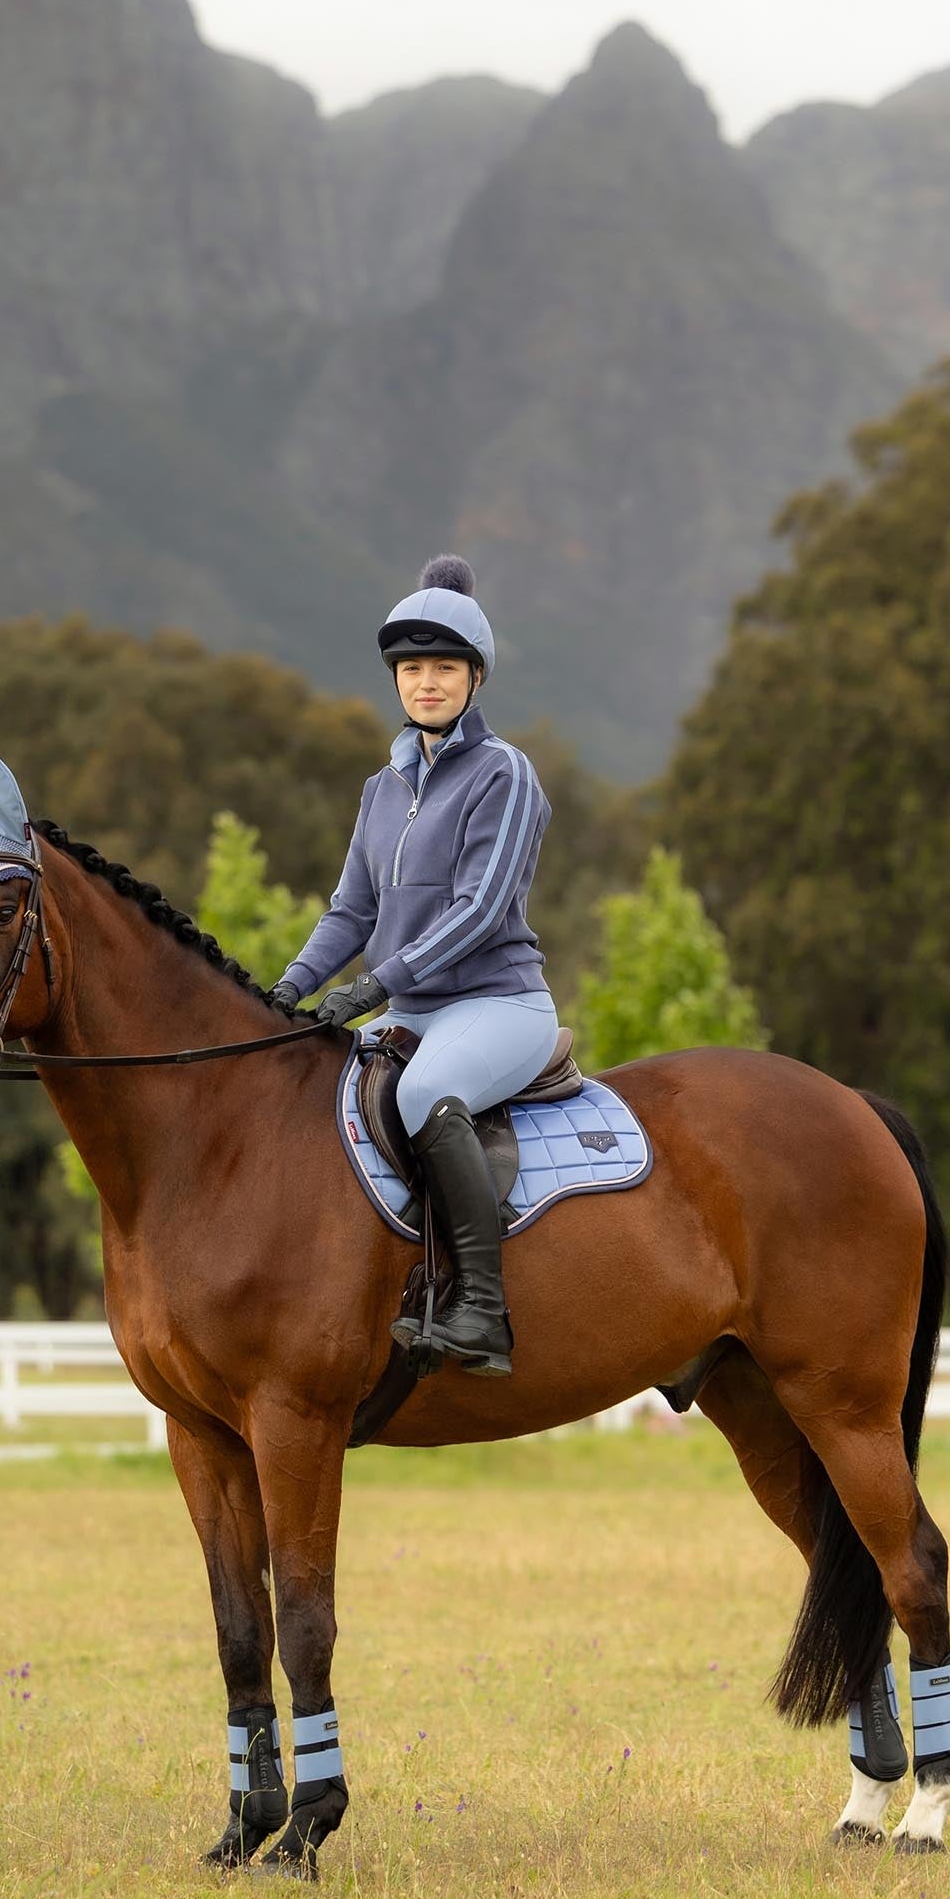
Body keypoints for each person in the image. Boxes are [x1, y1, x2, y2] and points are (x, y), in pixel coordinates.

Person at [270, 557, 557, 1377]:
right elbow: (350, 913)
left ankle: (481, 1310)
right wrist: (288, 989)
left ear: (474, 678)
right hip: (406, 1008)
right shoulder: (380, 790)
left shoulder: (504, 774)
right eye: (411, 669)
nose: (426, 683)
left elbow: (477, 909)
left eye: (443, 668)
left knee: (429, 1092)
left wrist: (370, 988)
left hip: (497, 1002)